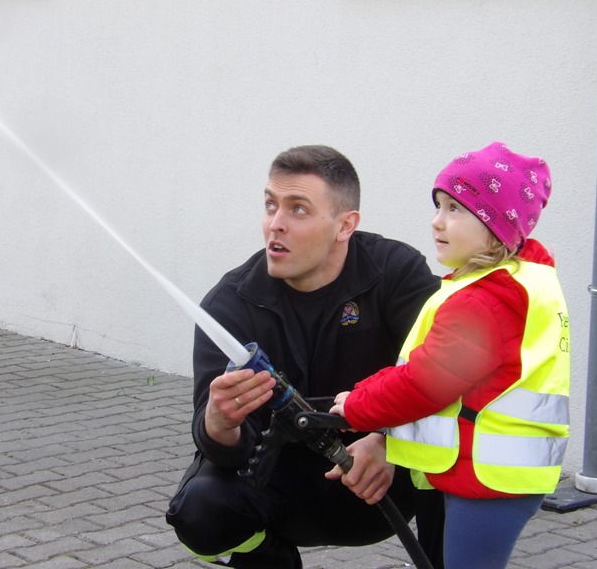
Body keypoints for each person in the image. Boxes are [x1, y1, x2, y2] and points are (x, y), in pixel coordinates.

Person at [166, 144, 446, 568]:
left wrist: (392, 441)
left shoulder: (395, 273)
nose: (275, 224)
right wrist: (219, 424)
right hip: (279, 486)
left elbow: (449, 376)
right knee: (200, 511)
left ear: (345, 225)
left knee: (456, 454)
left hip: (382, 480)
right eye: (270, 205)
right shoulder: (229, 305)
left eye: (298, 209)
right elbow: (222, 451)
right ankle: (270, 558)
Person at [330, 141, 570, 569]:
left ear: (497, 226)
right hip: (488, 474)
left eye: (455, 209)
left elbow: (427, 382)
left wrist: (357, 406)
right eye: (438, 205)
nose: (437, 221)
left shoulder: (486, 301)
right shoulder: (511, 282)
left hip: (487, 480)